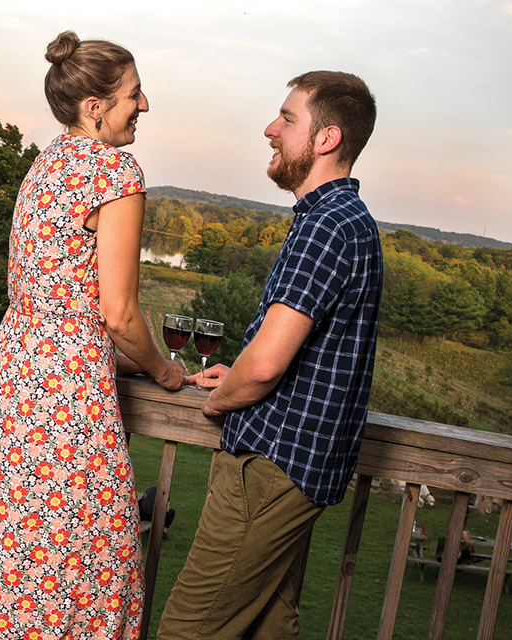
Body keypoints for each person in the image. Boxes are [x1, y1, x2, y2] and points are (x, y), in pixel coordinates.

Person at [0, 31, 185, 640]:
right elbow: (120, 314)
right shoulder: (114, 169)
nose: (145, 104)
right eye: (134, 93)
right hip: (66, 404)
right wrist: (165, 372)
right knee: (83, 567)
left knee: (6, 559)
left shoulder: (46, 162)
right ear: (95, 106)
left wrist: (114, 363)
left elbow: (50, 304)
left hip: (12, 381)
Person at [158, 71, 382, 639]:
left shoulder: (327, 226)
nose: (270, 129)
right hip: (300, 470)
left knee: (189, 629)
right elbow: (307, 355)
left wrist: (222, 401)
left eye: (286, 119)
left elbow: (264, 367)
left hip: (269, 466)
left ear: (326, 139)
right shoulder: (347, 222)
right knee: (269, 626)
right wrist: (239, 374)